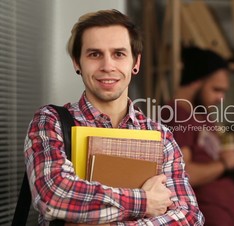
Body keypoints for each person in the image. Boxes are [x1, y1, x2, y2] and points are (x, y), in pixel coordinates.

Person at [24, 9, 204, 226]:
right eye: (94, 54)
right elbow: (54, 196)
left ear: (135, 62)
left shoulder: (159, 136)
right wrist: (144, 202)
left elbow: (190, 217)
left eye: (119, 54)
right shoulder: (51, 121)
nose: (107, 66)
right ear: (76, 62)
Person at [160, 46, 234, 226]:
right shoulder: (176, 115)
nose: (221, 98)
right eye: (216, 89)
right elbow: (182, 174)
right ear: (196, 82)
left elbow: (211, 172)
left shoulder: (203, 116)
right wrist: (224, 165)